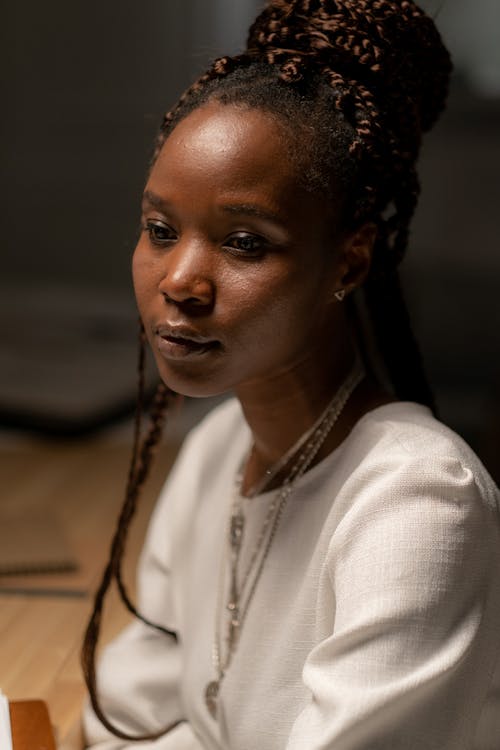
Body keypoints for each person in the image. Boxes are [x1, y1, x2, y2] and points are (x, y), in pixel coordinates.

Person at [82, 1, 500, 748]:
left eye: (245, 242)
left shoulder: (420, 504)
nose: (180, 280)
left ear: (350, 259)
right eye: (160, 230)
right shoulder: (219, 448)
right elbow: (129, 703)